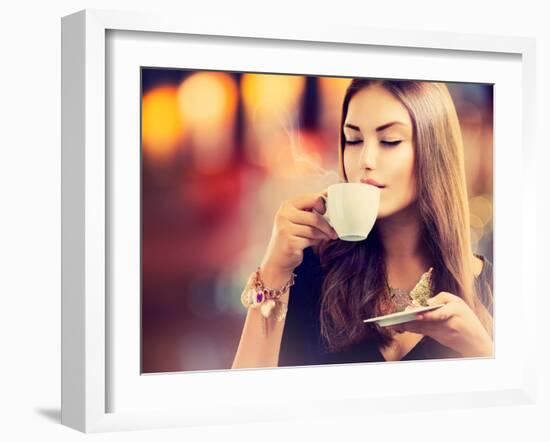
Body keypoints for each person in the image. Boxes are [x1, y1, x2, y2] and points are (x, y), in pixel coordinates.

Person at [231, 79, 493, 369]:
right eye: (353, 140)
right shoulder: (310, 272)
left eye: (390, 141)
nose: (365, 160)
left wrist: (483, 351)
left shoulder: (493, 288)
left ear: (435, 151)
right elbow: (245, 400)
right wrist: (274, 269)